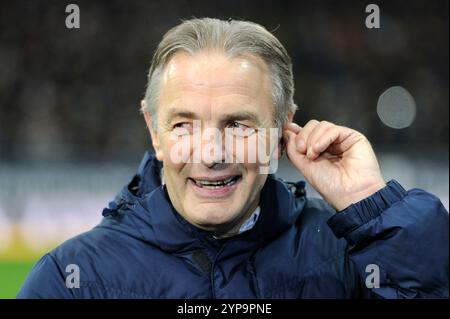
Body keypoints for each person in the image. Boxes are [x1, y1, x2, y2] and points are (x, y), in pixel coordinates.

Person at [18, 18, 448, 299]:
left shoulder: (351, 260)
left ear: (282, 130)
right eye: (184, 124)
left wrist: (369, 202)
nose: (211, 153)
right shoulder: (71, 280)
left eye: (238, 125)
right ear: (155, 131)